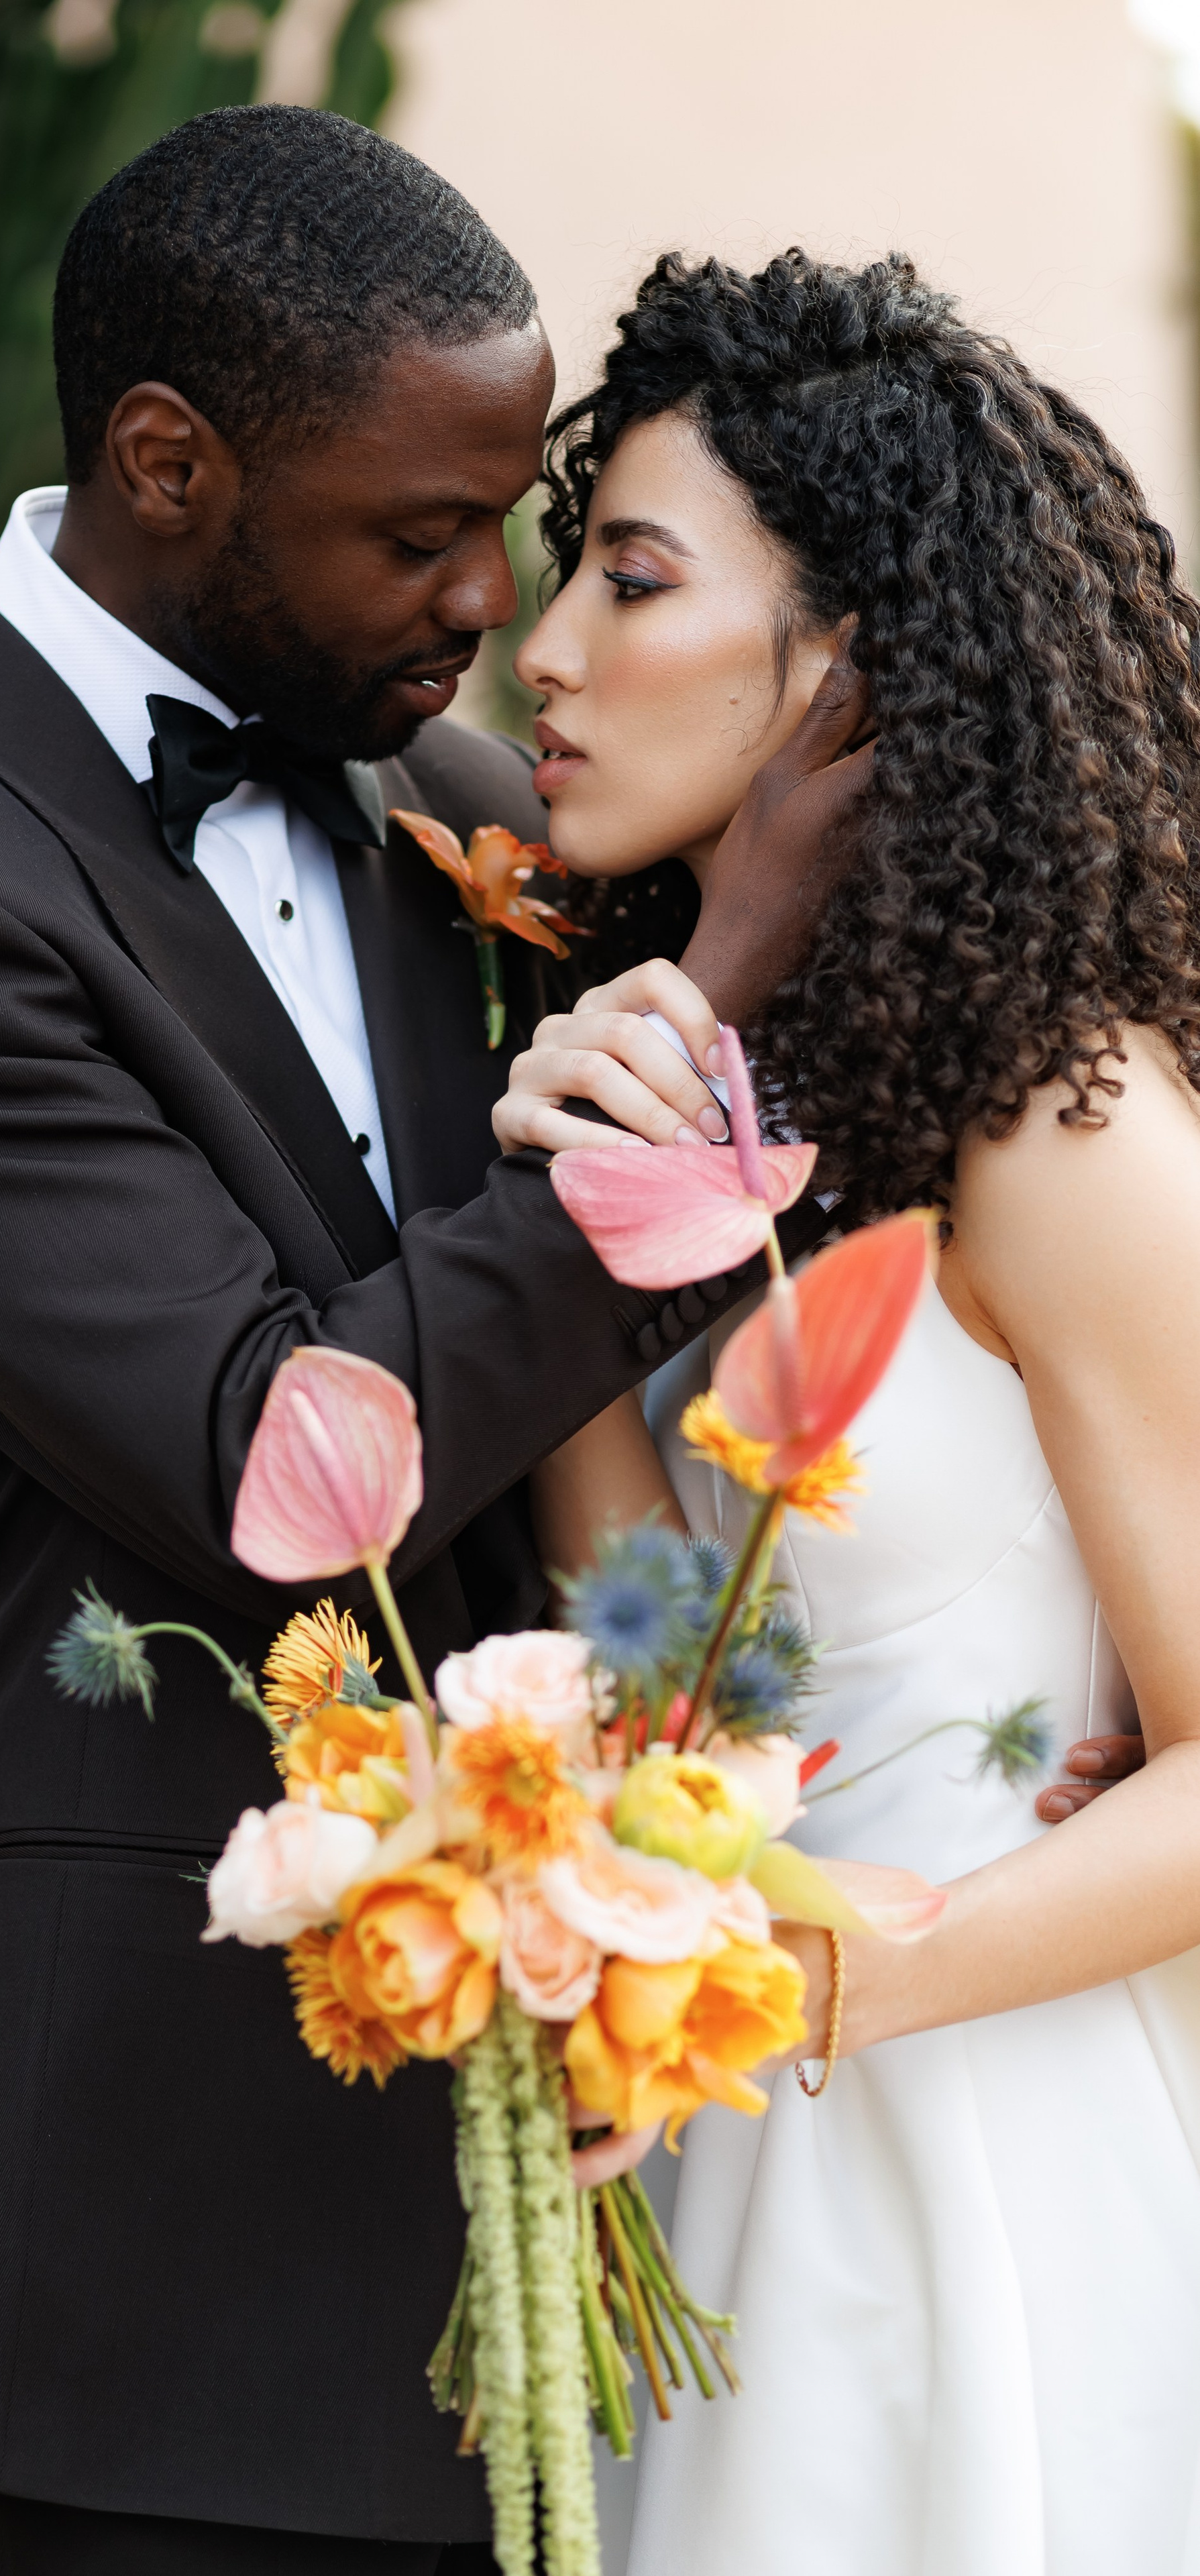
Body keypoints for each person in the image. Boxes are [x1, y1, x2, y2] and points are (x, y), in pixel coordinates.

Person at [0, 111, 873, 2575]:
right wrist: (722, 981)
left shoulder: (443, 788)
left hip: (611, 2135)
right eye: (417, 534)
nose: (491, 604)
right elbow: (271, 1462)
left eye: (516, 526)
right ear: (167, 465)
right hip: (189, 2205)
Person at [494, 247, 1200, 2574]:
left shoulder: (1059, 1119)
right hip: (685, 2156)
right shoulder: (722, 1081)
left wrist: (786, 1975)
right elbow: (649, 1669)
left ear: (853, 673)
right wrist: (582, 1211)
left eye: (632, 579)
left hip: (967, 2161)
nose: (549, 655)